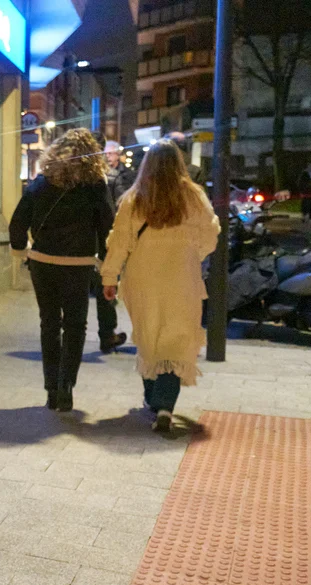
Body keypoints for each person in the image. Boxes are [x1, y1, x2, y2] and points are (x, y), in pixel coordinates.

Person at [101, 139, 220, 433]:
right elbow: (210, 234)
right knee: (175, 339)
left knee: (149, 336)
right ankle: (165, 404)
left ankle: (153, 398)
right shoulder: (193, 196)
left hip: (143, 279)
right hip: (182, 278)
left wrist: (109, 277)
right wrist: (192, 254)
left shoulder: (135, 198)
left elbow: (119, 242)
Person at [9, 129, 114, 412]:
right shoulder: (95, 186)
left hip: (42, 262)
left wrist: (21, 250)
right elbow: (108, 227)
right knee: (76, 325)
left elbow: (18, 222)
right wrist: (107, 264)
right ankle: (67, 384)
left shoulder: (41, 183)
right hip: (78, 265)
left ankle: (51, 389)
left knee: (49, 323)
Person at [95, 140, 132, 354]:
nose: (108, 157)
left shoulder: (73, 175)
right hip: (104, 237)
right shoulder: (111, 176)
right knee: (105, 286)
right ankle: (107, 334)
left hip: (85, 240)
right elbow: (120, 205)